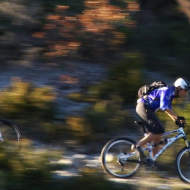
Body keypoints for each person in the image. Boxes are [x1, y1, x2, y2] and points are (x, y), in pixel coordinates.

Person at [135, 78, 190, 159]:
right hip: (143, 107)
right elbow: (164, 107)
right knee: (159, 130)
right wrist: (177, 117)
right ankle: (138, 145)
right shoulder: (166, 90)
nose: (185, 93)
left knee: (158, 135)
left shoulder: (170, 95)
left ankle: (153, 160)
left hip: (146, 108)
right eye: (185, 91)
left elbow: (169, 111)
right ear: (179, 88)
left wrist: (177, 121)